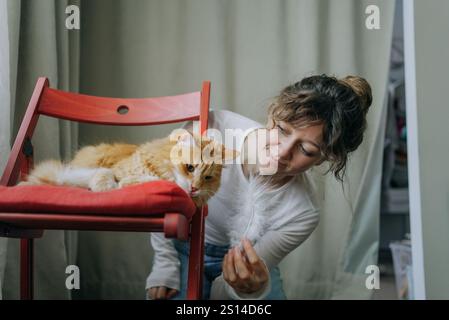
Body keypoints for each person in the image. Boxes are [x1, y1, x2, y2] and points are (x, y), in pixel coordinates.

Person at [146, 74, 373, 300]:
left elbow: (227, 291)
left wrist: (248, 290)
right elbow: (163, 190)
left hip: (246, 260)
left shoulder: (303, 213)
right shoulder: (212, 129)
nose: (283, 151)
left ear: (327, 158)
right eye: (283, 130)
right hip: (181, 247)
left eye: (306, 150)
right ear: (273, 113)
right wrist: (164, 263)